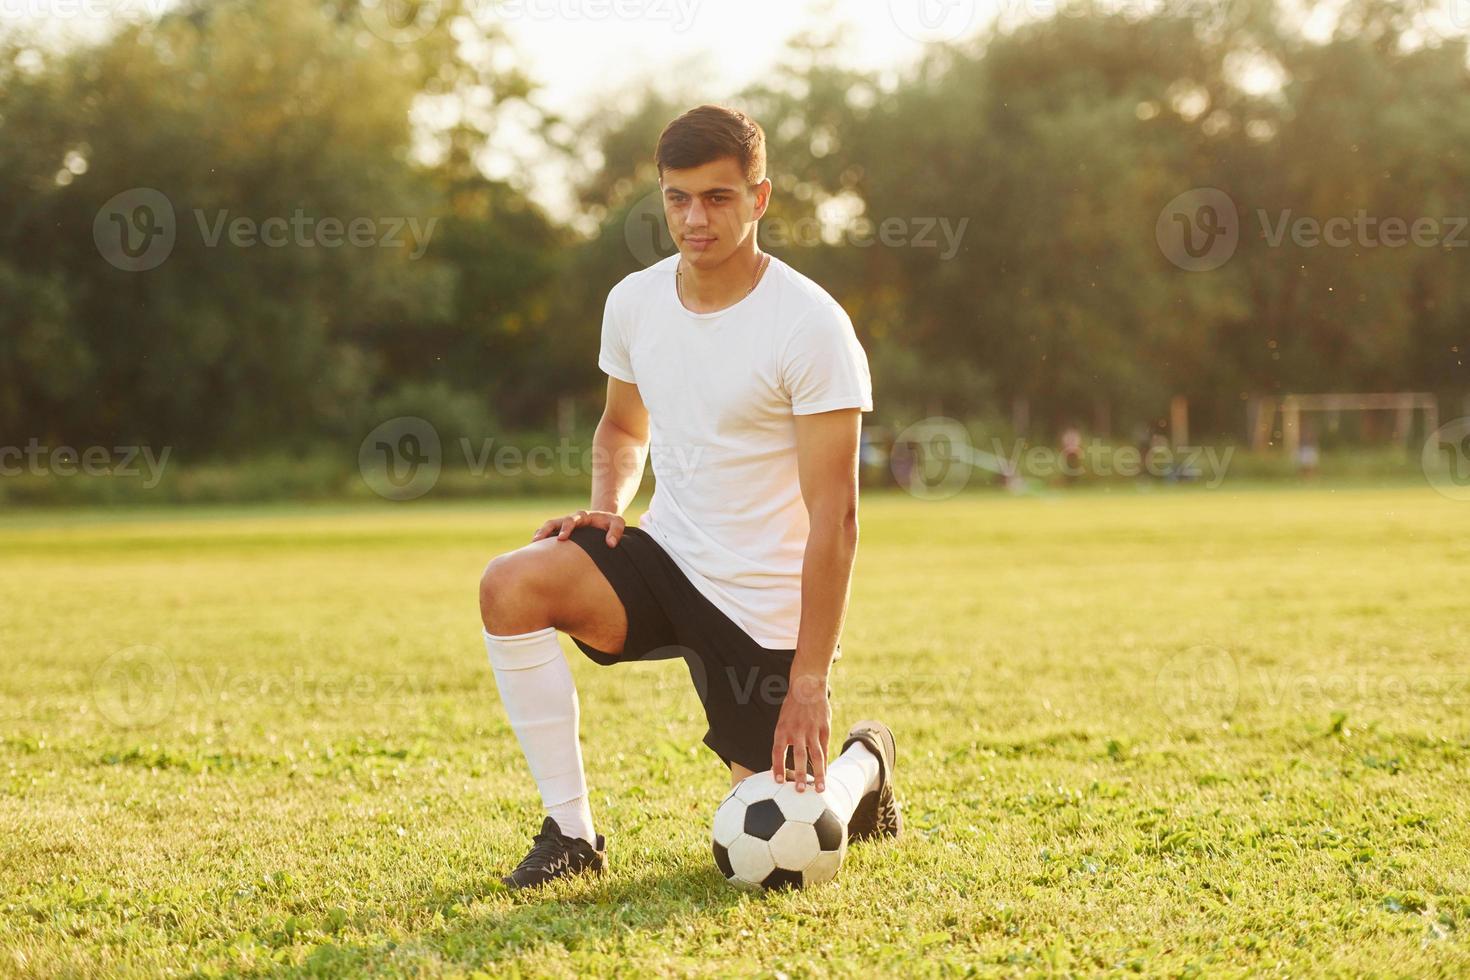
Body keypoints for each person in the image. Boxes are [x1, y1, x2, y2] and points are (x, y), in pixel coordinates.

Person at [477, 105, 903, 889]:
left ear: (760, 198)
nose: (694, 217)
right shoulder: (635, 301)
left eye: (717, 197)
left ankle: (863, 762)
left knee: (785, 827)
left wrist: (808, 679)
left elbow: (836, 519)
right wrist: (607, 501)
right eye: (678, 198)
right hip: (665, 554)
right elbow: (618, 427)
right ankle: (571, 834)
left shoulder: (810, 326)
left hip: (762, 602)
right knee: (510, 582)